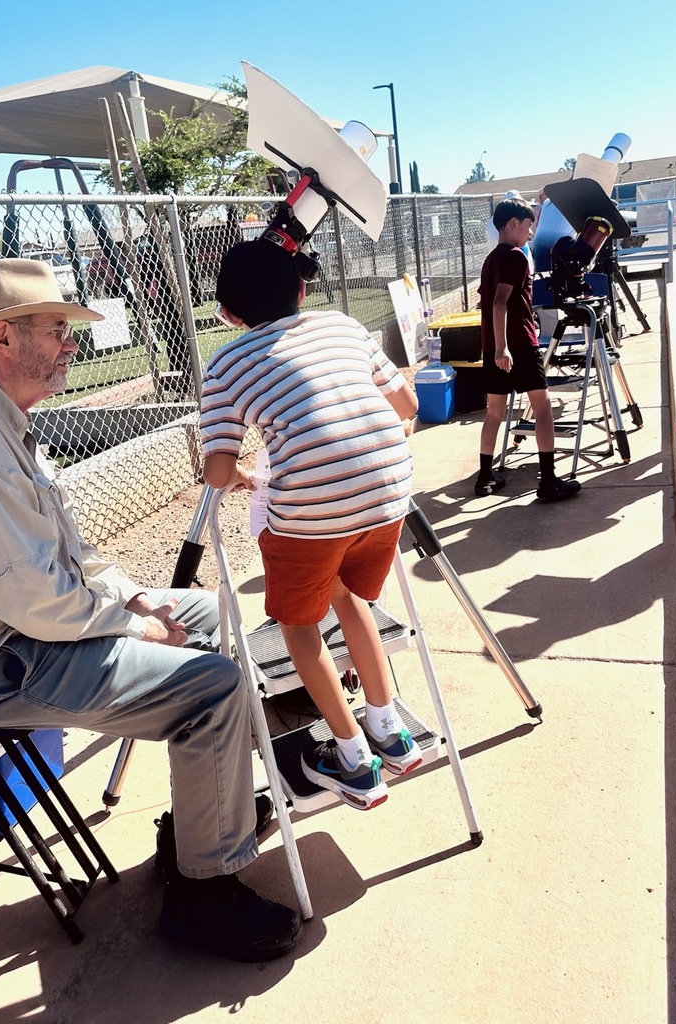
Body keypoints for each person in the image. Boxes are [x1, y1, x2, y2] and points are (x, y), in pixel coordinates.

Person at [0, 258, 301, 963]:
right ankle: (201, 890)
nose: (71, 345)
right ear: (3, 337)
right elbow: (29, 598)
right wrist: (134, 624)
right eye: (57, 329)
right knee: (212, 689)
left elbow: (68, 550)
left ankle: (202, 824)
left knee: (215, 618)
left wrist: (138, 597)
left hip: (22, 637)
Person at [200, 240, 422, 813]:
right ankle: (390, 729)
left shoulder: (224, 363)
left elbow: (218, 471)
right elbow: (407, 406)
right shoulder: (343, 325)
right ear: (302, 290)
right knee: (349, 599)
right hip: (389, 493)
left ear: (227, 314)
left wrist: (246, 470)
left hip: (312, 513)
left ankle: (353, 761)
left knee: (298, 625)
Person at [474, 196, 582, 503]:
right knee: (543, 407)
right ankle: (548, 481)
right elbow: (498, 302)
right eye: (528, 226)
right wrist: (502, 348)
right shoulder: (517, 257)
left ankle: (484, 478)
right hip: (517, 345)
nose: (531, 233)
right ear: (513, 225)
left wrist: (494, 348)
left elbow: (487, 301)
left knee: (495, 412)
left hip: (496, 346)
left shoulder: (491, 259)